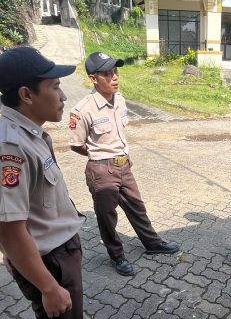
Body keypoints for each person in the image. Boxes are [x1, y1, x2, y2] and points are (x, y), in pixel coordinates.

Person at [0, 47, 100, 319]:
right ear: (27, 94)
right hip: (49, 261)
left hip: (54, 252)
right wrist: (47, 286)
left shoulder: (29, 133)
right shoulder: (8, 147)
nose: (62, 96)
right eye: (55, 87)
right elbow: (11, 230)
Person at [68, 51, 179, 276]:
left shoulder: (119, 99)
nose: (115, 77)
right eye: (108, 74)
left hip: (124, 165)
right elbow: (76, 144)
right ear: (93, 79)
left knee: (137, 207)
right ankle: (116, 256)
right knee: (107, 217)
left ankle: (153, 243)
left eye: (116, 72)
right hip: (101, 169)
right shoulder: (82, 110)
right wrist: (102, 157)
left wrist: (121, 157)